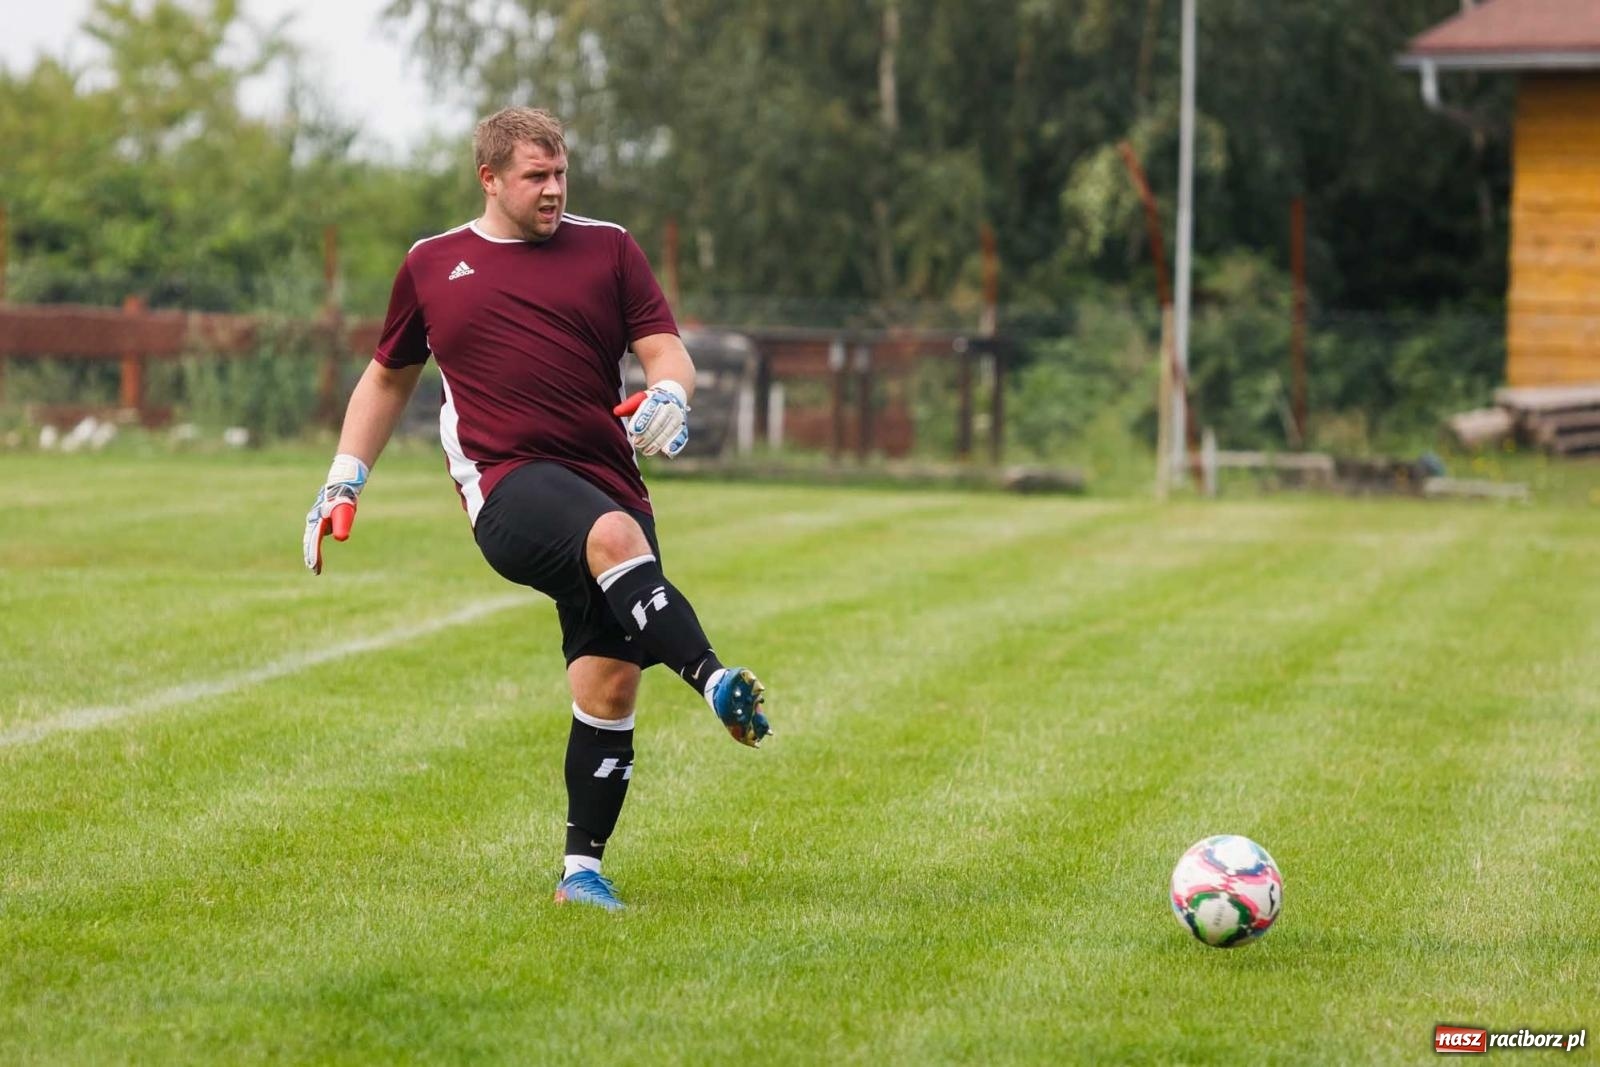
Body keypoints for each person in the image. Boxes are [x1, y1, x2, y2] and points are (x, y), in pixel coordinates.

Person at [301, 106, 770, 912]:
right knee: (613, 537)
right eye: (535, 177)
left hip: (607, 478)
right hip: (506, 483)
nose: (553, 190)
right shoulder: (431, 264)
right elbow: (386, 377)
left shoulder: (610, 247)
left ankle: (580, 872)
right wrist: (344, 477)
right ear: (490, 179)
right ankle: (716, 679)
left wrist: (671, 394)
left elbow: (666, 350)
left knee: (610, 685)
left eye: (560, 175)